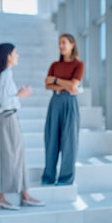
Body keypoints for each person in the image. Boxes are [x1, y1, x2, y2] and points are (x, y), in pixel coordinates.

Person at [0, 43, 44, 210]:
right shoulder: (5, 75)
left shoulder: (5, 75)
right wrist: (20, 95)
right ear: (8, 56)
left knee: (15, 156)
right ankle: (4, 197)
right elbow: (5, 102)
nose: (17, 56)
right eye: (15, 53)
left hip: (8, 119)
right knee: (9, 156)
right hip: (8, 119)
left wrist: (17, 96)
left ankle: (24, 195)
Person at [42, 34, 84, 185]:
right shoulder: (54, 65)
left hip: (70, 103)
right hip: (55, 103)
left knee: (69, 141)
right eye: (59, 43)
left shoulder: (79, 65)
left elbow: (74, 86)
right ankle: (48, 176)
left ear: (72, 44)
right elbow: (47, 85)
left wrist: (56, 80)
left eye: (64, 42)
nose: (61, 46)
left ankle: (66, 178)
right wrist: (65, 85)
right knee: (51, 139)